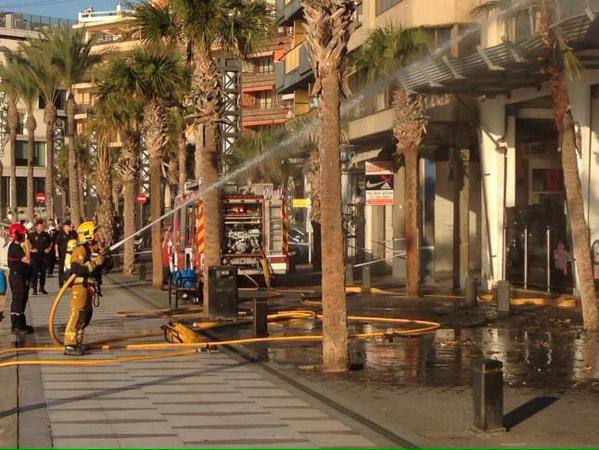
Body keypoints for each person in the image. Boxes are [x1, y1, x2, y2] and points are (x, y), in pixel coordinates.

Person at [63, 221, 108, 356]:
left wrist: (104, 259)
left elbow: (101, 268)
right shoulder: (80, 249)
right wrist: (94, 263)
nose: (97, 235)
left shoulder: (91, 249)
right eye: (95, 232)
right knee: (77, 313)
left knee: (86, 315)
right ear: (88, 235)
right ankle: (70, 344)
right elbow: (77, 268)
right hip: (79, 287)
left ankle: (78, 341)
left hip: (88, 287)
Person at [7, 222, 33, 335]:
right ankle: (16, 325)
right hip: (16, 276)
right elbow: (27, 259)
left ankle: (22, 323)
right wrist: (27, 247)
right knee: (18, 298)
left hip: (22, 276)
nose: (24, 236)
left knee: (23, 298)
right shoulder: (14, 247)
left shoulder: (18, 245)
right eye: (23, 234)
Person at [28, 219, 52, 295]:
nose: (41, 228)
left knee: (43, 273)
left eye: (42, 226)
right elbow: (27, 243)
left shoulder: (45, 234)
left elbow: (51, 242)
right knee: (35, 273)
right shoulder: (32, 235)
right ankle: (34, 289)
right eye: (40, 226)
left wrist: (48, 249)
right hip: (35, 257)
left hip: (43, 256)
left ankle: (42, 288)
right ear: (36, 227)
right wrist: (31, 250)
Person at [55, 220, 78, 286]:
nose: (68, 227)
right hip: (62, 254)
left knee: (71, 268)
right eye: (67, 226)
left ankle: (69, 282)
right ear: (64, 226)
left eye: (69, 226)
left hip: (71, 254)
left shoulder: (72, 233)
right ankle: (61, 283)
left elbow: (76, 240)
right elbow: (56, 244)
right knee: (61, 269)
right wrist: (57, 253)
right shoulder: (60, 234)